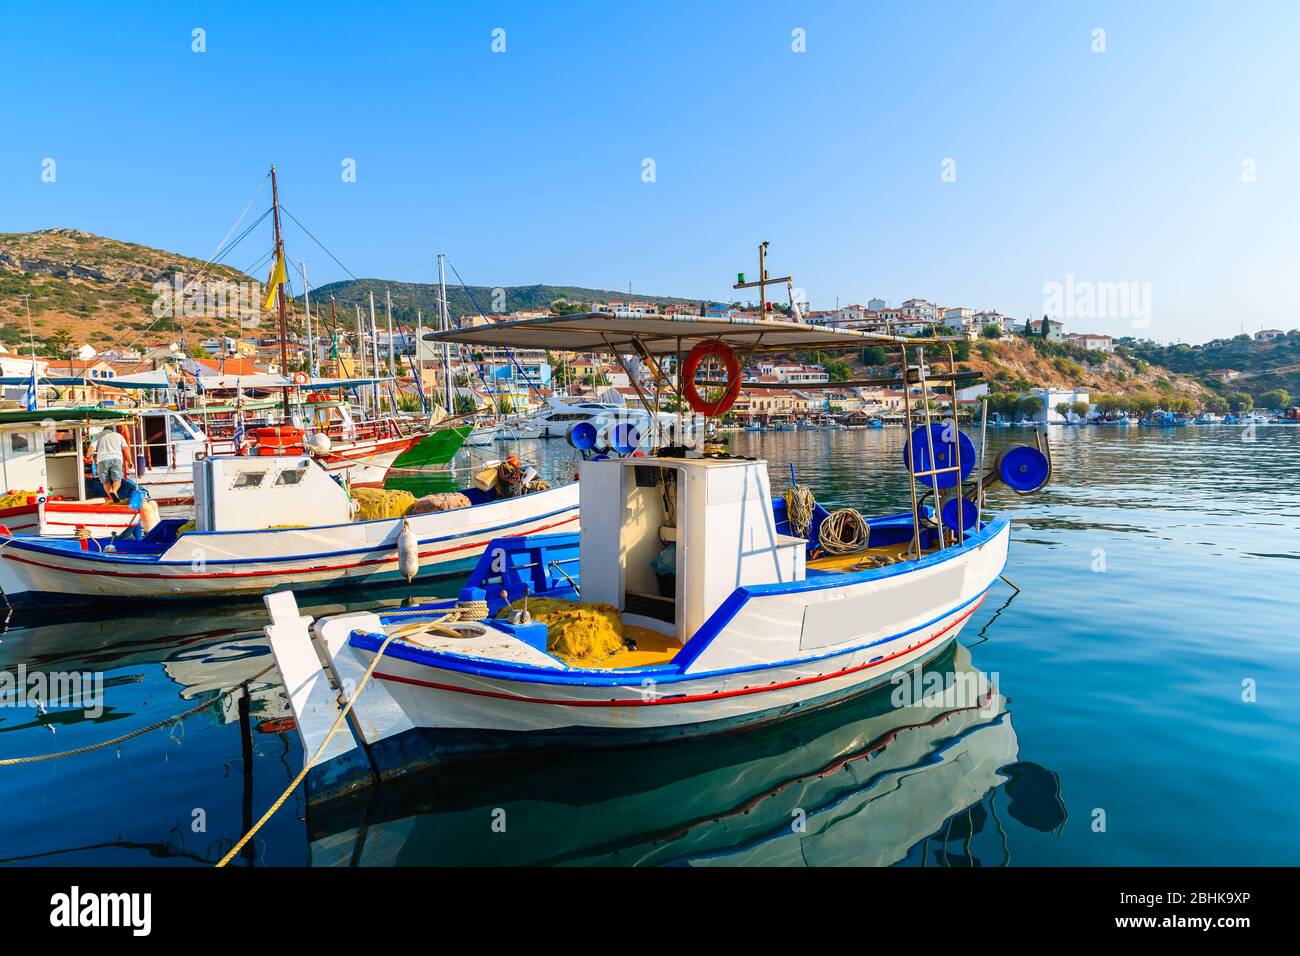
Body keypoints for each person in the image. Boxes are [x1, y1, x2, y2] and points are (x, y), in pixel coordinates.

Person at [94, 425, 130, 500]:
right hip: (116, 458)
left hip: (102, 459)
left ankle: (112, 498)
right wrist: (130, 460)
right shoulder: (118, 436)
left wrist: (88, 456)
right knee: (117, 480)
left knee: (105, 482)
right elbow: (126, 448)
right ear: (113, 430)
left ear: (104, 430)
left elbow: (92, 448)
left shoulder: (98, 435)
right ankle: (114, 490)